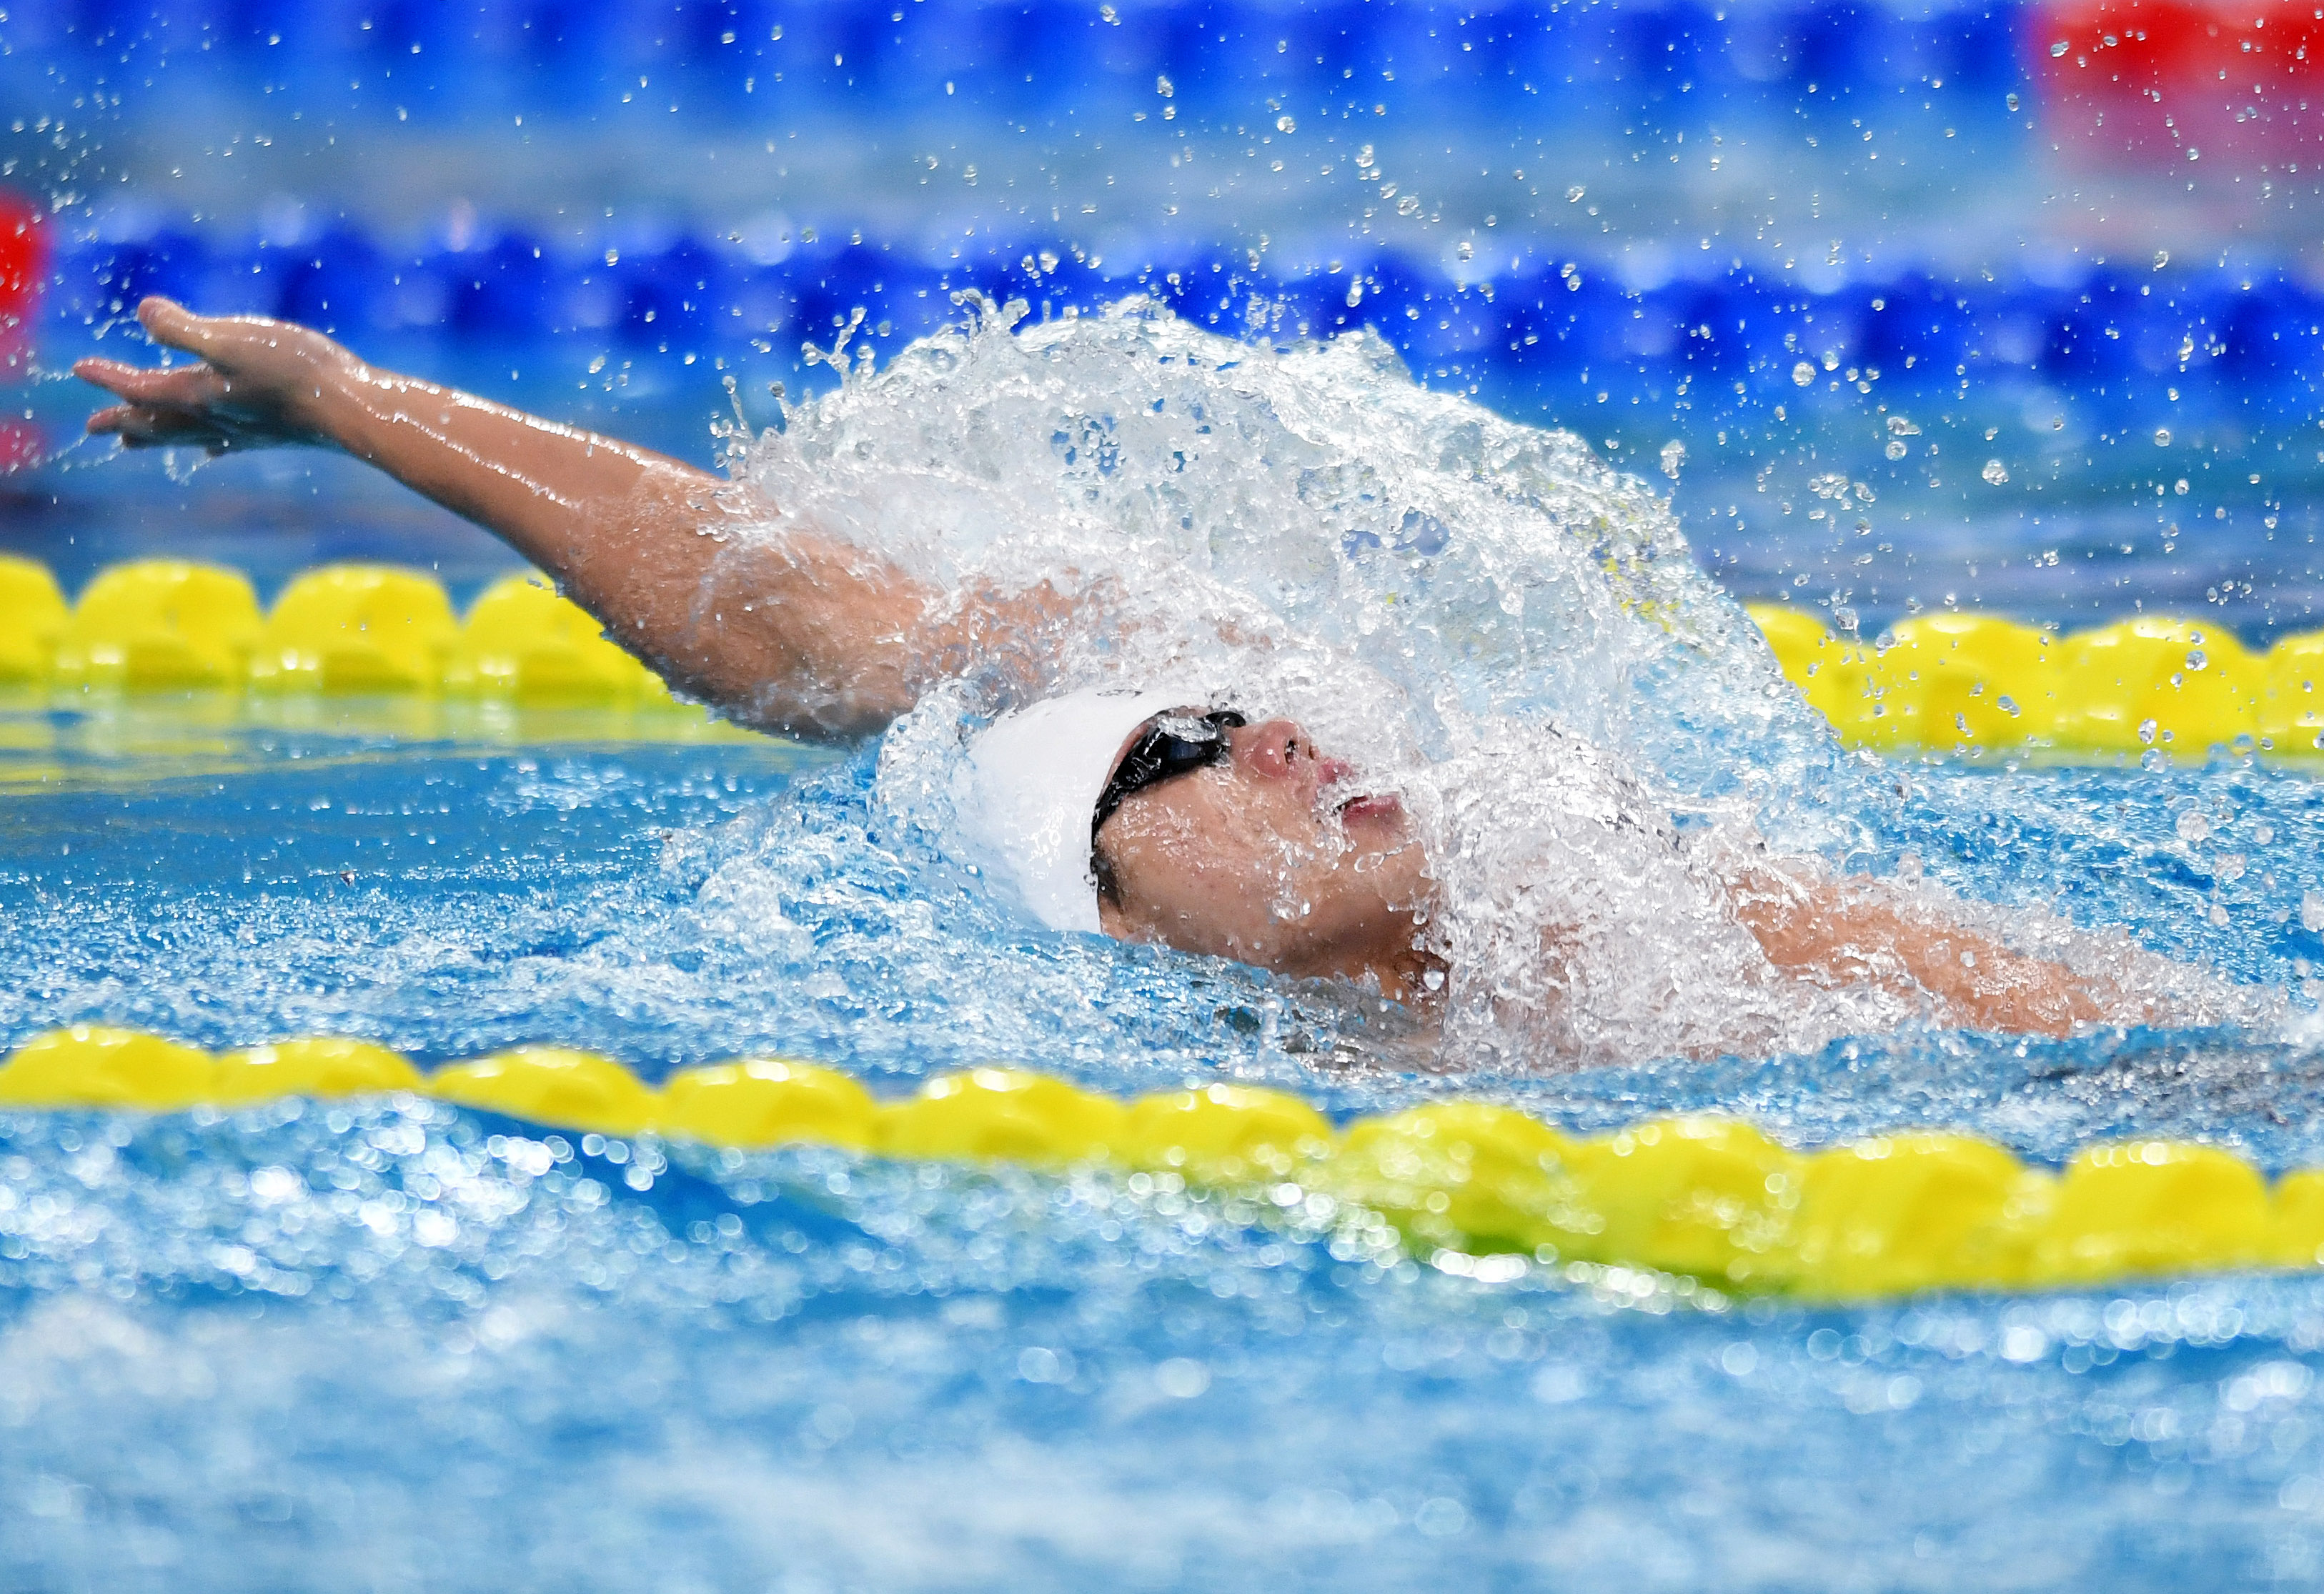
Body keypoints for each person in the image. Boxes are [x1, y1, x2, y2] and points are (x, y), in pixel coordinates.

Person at [76, 297, 2108, 1047]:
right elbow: (794, 638)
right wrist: (342, 406)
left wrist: (350, 399)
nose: (1290, 729)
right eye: (1196, 745)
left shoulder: (1634, 898)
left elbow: (2179, 1047)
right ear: (1112, 918)